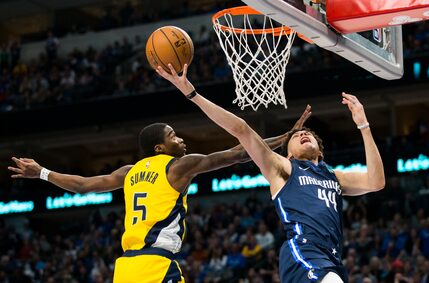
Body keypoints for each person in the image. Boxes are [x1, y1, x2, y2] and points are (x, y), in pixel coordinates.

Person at [8, 110, 311, 282]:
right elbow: (238, 154)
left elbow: (83, 186)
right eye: (172, 135)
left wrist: (43, 173)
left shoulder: (128, 172)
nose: (180, 138)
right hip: (156, 266)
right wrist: (283, 138)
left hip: (125, 270)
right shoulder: (179, 166)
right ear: (159, 148)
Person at [156, 63, 385, 283]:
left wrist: (364, 126)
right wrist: (192, 93)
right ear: (289, 155)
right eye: (296, 136)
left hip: (332, 258)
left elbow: (376, 182)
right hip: (302, 252)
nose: (303, 134)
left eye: (308, 134)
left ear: (320, 150)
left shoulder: (334, 177)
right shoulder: (284, 168)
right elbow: (241, 130)